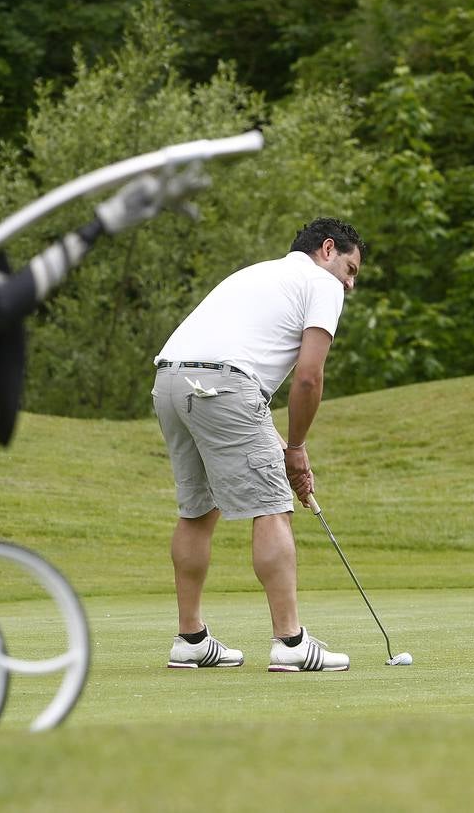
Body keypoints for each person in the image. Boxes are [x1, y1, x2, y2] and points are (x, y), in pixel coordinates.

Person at [151, 217, 365, 672]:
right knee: (272, 507)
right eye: (351, 271)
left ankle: (191, 639)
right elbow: (309, 377)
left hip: (169, 380)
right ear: (329, 249)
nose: (349, 286)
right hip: (224, 385)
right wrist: (296, 446)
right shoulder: (320, 283)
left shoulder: (257, 272)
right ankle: (290, 643)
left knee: (197, 510)